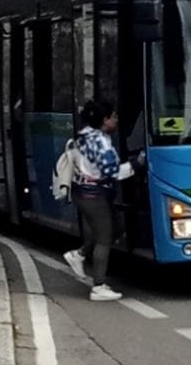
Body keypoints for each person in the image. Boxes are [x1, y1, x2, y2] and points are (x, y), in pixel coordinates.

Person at [63, 100, 144, 301]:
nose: (116, 120)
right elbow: (112, 172)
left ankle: (79, 255)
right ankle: (98, 287)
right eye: (114, 117)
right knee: (105, 238)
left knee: (114, 228)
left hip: (85, 192)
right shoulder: (99, 141)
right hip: (93, 194)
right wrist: (137, 163)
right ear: (104, 120)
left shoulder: (84, 136)